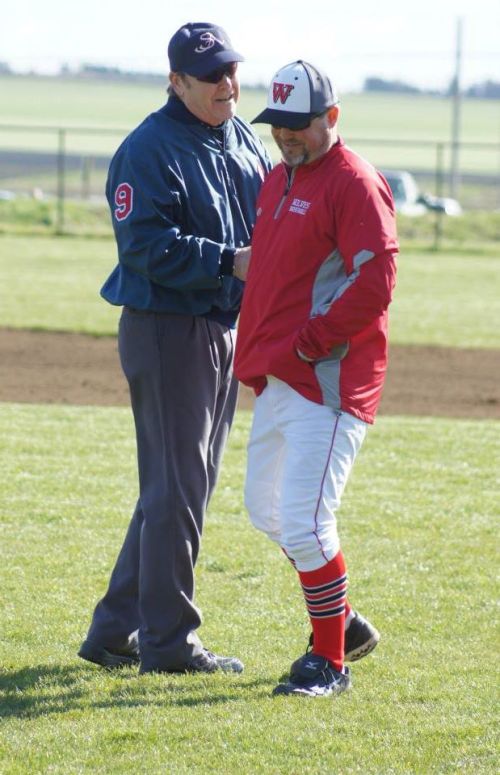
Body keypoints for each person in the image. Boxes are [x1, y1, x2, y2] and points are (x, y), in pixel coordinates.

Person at [78, 22, 272, 675]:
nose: (226, 84)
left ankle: (116, 630)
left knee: (182, 485)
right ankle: (168, 644)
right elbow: (143, 245)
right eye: (210, 75)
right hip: (168, 329)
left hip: (222, 326)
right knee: (177, 489)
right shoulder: (148, 148)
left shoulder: (240, 137)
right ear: (176, 81)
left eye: (230, 70)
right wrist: (228, 260)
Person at [234, 60, 398, 697]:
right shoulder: (279, 178)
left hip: (326, 380)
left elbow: (375, 279)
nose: (285, 134)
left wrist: (308, 342)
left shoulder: (354, 181)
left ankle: (330, 661)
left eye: (298, 123)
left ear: (331, 116)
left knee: (305, 522)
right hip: (279, 376)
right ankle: (343, 622)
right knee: (266, 509)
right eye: (277, 123)